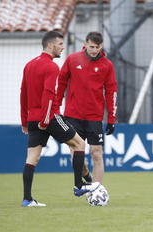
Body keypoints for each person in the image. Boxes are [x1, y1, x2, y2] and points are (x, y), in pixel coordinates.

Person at [20, 31, 100, 207]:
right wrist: (46, 120)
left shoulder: (29, 65)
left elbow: (23, 93)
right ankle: (79, 186)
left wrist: (24, 120)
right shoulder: (51, 67)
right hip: (49, 117)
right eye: (60, 44)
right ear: (51, 45)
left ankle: (27, 199)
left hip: (33, 118)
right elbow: (49, 95)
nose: (63, 47)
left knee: (32, 158)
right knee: (79, 144)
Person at [57, 31, 117, 185]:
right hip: (73, 115)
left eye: (97, 47)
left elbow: (111, 92)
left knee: (96, 154)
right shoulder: (72, 59)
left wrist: (111, 119)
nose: (94, 50)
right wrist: (56, 107)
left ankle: (96, 191)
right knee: (76, 154)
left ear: (101, 46)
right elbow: (61, 83)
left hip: (95, 117)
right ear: (85, 44)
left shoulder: (107, 65)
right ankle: (87, 179)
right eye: (91, 46)